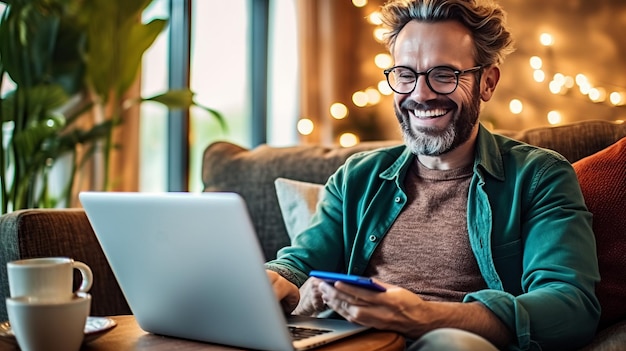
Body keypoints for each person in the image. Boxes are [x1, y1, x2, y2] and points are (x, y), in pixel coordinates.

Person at [265, 0, 601, 350]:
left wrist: (424, 316)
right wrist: (274, 279)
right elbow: (299, 262)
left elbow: (571, 306)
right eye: (406, 75)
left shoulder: (539, 176)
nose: (420, 94)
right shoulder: (357, 177)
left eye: (444, 75)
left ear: (487, 82)